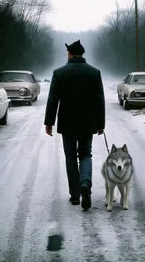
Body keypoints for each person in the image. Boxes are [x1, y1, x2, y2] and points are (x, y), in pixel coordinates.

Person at [44, 40, 105, 210]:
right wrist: (101, 124)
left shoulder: (59, 73)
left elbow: (52, 100)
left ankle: (75, 195)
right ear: (82, 54)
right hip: (87, 123)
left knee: (70, 157)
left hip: (67, 123)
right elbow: (100, 100)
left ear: (70, 53)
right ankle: (85, 183)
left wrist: (49, 123)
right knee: (85, 155)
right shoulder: (94, 73)